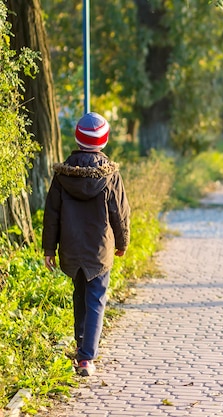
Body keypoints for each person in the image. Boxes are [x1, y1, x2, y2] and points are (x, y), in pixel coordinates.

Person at [42, 112, 130, 377]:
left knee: (79, 294)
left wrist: (49, 248)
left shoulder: (63, 175)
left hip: (70, 246)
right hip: (99, 250)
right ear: (103, 141)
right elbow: (119, 212)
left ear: (77, 138)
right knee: (96, 299)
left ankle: (81, 345)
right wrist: (123, 241)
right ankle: (86, 358)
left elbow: (52, 214)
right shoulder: (110, 175)